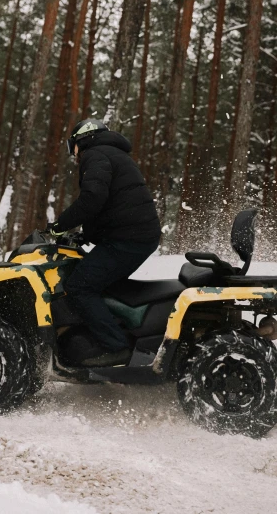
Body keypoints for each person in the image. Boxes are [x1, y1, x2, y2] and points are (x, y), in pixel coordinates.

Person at [47, 119, 161, 367]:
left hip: (130, 238)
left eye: (73, 146)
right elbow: (113, 207)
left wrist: (59, 225)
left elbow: (92, 198)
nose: (74, 154)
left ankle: (115, 346)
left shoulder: (95, 154)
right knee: (101, 282)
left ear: (83, 139)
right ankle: (123, 335)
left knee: (80, 286)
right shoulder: (112, 154)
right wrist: (85, 235)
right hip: (135, 234)